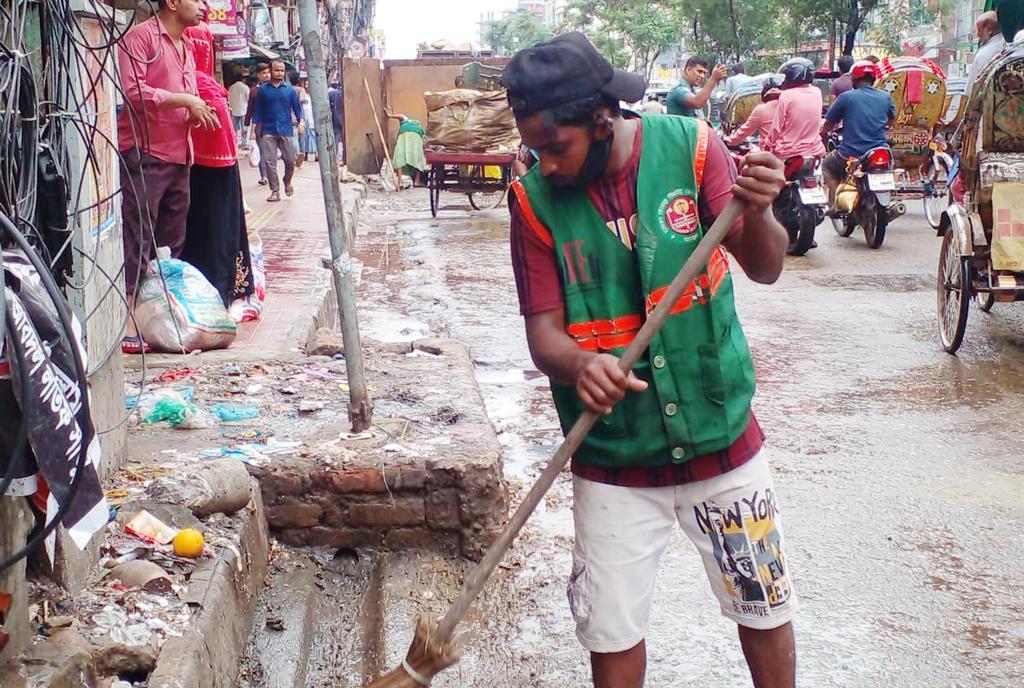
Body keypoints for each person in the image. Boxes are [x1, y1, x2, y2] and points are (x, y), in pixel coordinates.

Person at [501, 31, 797, 688]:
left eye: (557, 147)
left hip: (721, 434)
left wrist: (762, 208)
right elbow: (544, 336)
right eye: (535, 148)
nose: (545, 163)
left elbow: (766, 266)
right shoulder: (532, 203)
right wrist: (581, 367)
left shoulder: (693, 149)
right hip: (613, 455)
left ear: (602, 121)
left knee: (763, 604)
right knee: (610, 627)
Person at [116, 0, 218, 353]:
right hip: (146, 152)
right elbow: (134, 92)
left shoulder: (187, 44)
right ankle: (127, 318)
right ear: (173, 3)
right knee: (138, 237)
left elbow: (184, 100)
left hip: (179, 154)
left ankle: (159, 314)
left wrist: (193, 111)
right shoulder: (140, 39)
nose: (204, 6)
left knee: (171, 242)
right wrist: (183, 99)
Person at [181, 18, 256, 316]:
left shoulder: (192, 87)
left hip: (194, 168)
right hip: (222, 170)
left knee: (194, 227)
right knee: (222, 227)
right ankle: (223, 290)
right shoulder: (210, 88)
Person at [820, 60, 895, 204]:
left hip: (851, 152)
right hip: (879, 150)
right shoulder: (885, 97)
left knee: (827, 165)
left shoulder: (846, 97)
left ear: (853, 79)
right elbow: (891, 120)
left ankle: (838, 202)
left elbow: (829, 123)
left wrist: (823, 134)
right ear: (873, 79)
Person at [252, 60, 303, 201]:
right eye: (277, 70)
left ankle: (287, 180)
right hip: (268, 131)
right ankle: (275, 191)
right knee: (269, 162)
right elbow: (257, 111)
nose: (279, 73)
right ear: (271, 70)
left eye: (282, 70)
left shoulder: (290, 90)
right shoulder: (263, 90)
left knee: (290, 160)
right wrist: (252, 130)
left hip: (286, 130)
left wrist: (301, 122)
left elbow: (298, 109)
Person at [764, 57, 827, 162]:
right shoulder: (817, 92)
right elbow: (801, 97)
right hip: (816, 151)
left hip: (788, 154)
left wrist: (766, 146)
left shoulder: (786, 96)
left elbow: (776, 128)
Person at [726, 79, 781, 147]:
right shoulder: (791, 106)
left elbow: (744, 131)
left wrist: (730, 140)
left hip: (770, 152)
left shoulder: (761, 109)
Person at [384, 109, 428, 186]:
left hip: (404, 135)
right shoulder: (418, 127)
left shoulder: (405, 121)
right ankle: (417, 181)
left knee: (400, 157)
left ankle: (400, 182)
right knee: (417, 158)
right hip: (417, 137)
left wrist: (390, 115)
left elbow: (401, 116)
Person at [245, 63, 271, 184]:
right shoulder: (254, 91)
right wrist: (246, 125)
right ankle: (264, 176)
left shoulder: (276, 89)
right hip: (259, 125)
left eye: (268, 73)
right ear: (258, 75)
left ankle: (272, 174)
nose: (267, 75)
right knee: (263, 151)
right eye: (264, 73)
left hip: (274, 124)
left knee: (272, 152)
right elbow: (250, 108)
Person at [966, 11, 1005, 90]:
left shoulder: (984, 54)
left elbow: (972, 89)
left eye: (979, 30)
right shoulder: (1007, 44)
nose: (978, 35)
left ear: (990, 30)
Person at [287, 71, 306, 168]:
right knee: (301, 136)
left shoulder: (288, 89)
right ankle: (300, 153)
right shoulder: (301, 90)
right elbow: (303, 100)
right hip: (300, 115)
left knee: (294, 136)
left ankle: (297, 154)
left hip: (290, 116)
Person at [228, 75, 250, 146]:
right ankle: (244, 143)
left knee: (234, 128)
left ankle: (234, 142)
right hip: (243, 110)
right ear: (242, 80)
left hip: (234, 110)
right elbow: (248, 99)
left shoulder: (231, 87)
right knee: (244, 127)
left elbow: (229, 99)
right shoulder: (245, 87)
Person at [328, 80, 345, 161]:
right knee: (345, 139)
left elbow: (327, 105)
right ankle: (344, 157)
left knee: (335, 138)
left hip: (335, 118)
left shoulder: (331, 94)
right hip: (344, 119)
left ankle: (334, 157)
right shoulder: (345, 93)